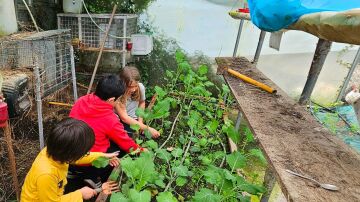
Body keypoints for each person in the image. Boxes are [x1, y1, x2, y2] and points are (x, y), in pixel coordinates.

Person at [67, 74, 143, 191]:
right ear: (112, 99)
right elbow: (126, 143)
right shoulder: (110, 119)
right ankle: (94, 176)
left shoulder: (81, 100)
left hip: (70, 154)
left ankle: (72, 171)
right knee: (120, 149)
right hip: (88, 161)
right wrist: (141, 150)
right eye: (118, 100)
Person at [21, 118, 119, 202]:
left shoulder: (56, 151)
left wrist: (102, 157)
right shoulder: (46, 174)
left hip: (53, 193)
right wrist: (79, 194)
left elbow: (80, 157)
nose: (86, 153)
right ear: (71, 154)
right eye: (84, 152)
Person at [116, 66, 160, 138]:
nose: (133, 89)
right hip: (119, 120)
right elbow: (124, 118)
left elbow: (142, 102)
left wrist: (140, 122)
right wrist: (147, 128)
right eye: (130, 86)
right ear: (123, 83)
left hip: (134, 119)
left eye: (135, 86)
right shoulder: (118, 92)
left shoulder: (140, 87)